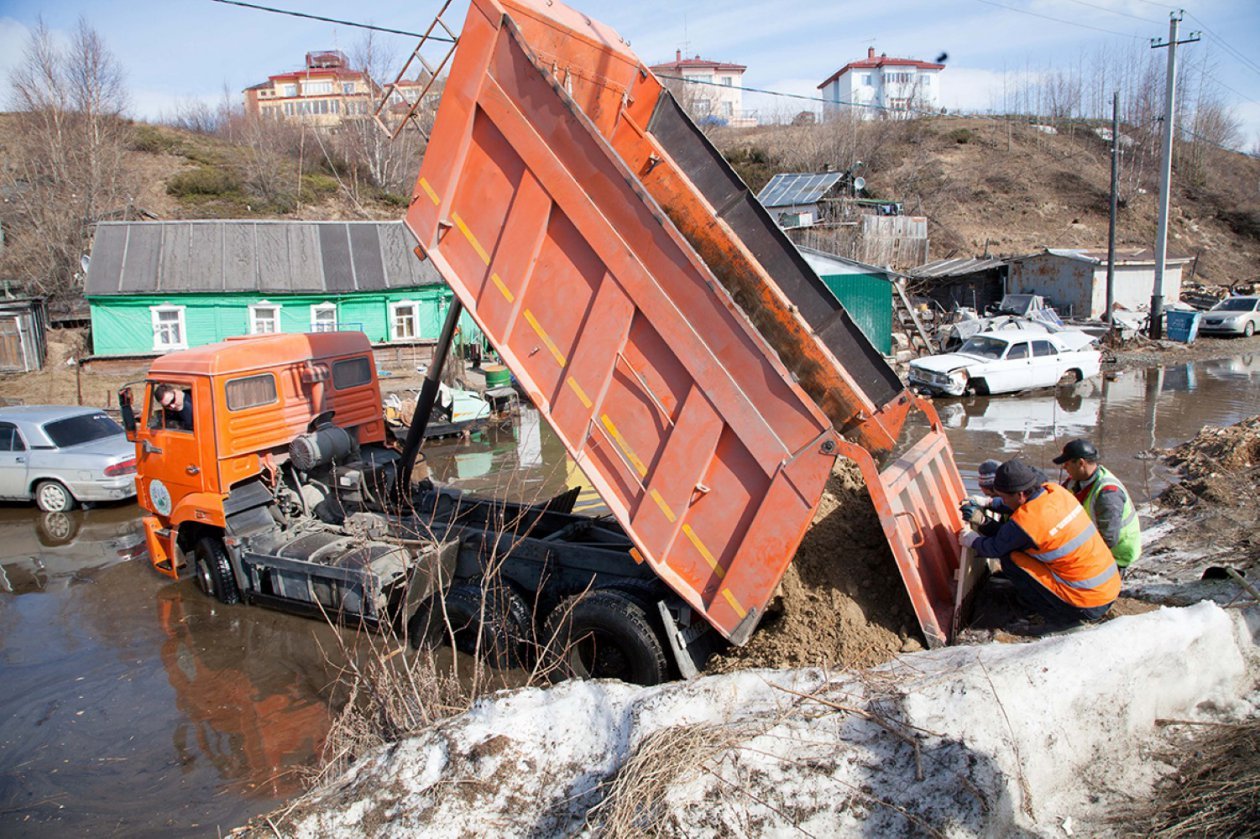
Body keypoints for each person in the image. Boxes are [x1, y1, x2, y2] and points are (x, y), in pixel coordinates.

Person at [959, 458, 1119, 630]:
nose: (1002, 501)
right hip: (1108, 588)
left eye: (1003, 498)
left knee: (1011, 558)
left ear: (1020, 494)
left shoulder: (1028, 522)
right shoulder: (1056, 492)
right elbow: (1021, 514)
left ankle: (1056, 618)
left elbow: (996, 547)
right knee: (1021, 550)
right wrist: (989, 503)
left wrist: (972, 538)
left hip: (1085, 604)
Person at [1053, 439, 1141, 576]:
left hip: (1115, 556)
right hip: (1093, 544)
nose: (1064, 467)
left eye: (1067, 463)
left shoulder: (1108, 493)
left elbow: (1108, 539)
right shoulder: (1077, 480)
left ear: (1081, 463)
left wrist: (1073, 557)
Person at [960, 459, 1005, 535]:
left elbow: (1008, 537)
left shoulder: (1020, 507)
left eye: (992, 495)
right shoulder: (1012, 499)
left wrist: (983, 521)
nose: (991, 498)